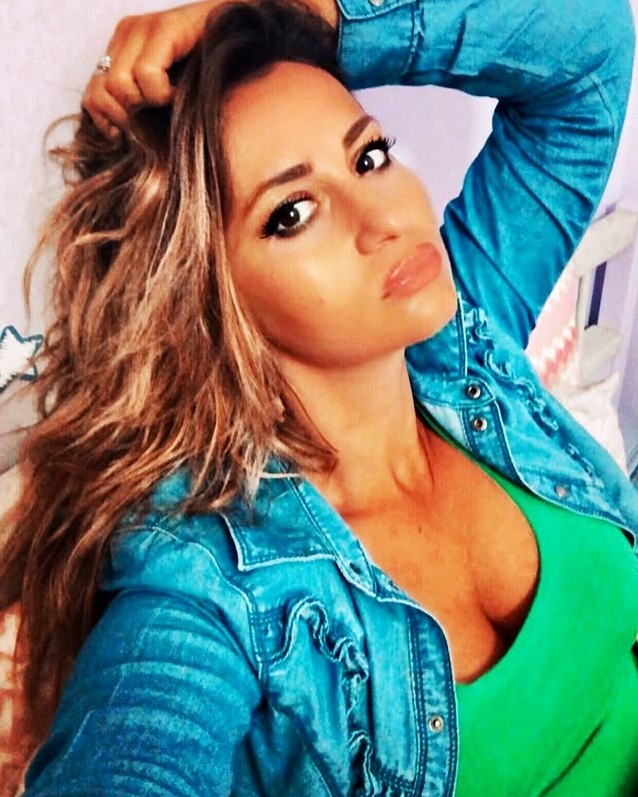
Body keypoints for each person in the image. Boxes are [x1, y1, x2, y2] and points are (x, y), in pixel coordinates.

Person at [2, 0, 637, 793]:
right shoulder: (208, 585)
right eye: (292, 213)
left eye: (369, 156)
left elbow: (592, 51)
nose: (384, 218)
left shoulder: (461, 339)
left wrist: (303, 13)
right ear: (206, 301)